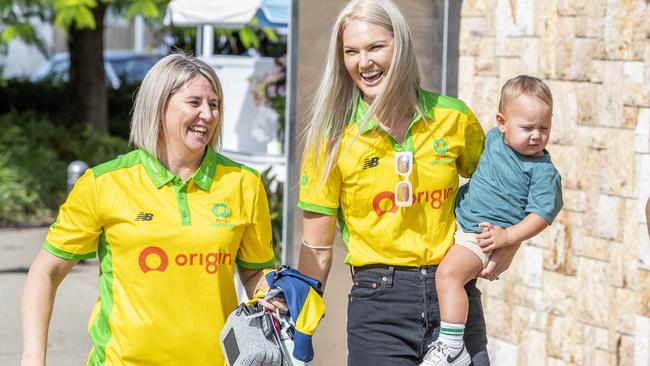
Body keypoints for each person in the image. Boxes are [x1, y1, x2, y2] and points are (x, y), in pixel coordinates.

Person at [20, 53, 278, 365]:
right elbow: (45, 271)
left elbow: (254, 272)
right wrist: (33, 358)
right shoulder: (104, 183)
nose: (207, 115)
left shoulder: (243, 183)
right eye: (194, 102)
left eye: (214, 104)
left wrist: (275, 295)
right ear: (158, 107)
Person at [295, 0, 506, 364]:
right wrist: (299, 331)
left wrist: (508, 243)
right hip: (378, 307)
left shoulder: (452, 117)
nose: (364, 62)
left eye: (376, 47)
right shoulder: (329, 140)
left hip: (454, 297)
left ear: (402, 45)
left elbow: (502, 186)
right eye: (351, 52)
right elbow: (316, 249)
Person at [423, 75, 563, 365]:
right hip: (458, 222)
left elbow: (541, 215)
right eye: (527, 128)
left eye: (544, 128)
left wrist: (508, 239)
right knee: (449, 276)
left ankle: (451, 347)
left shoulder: (543, 173)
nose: (536, 135)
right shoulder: (492, 139)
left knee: (449, 276)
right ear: (502, 122)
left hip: (482, 237)